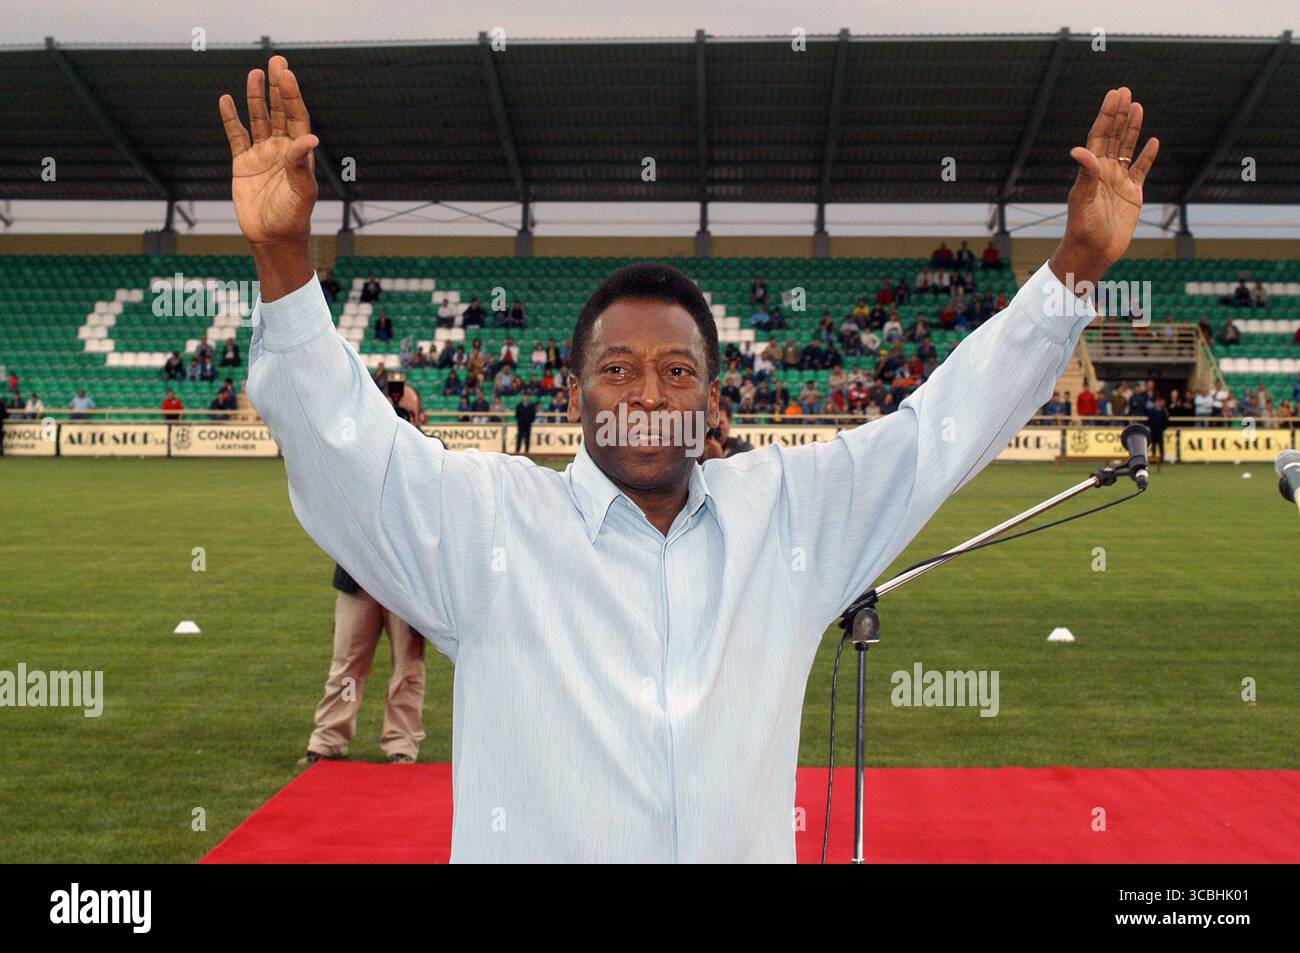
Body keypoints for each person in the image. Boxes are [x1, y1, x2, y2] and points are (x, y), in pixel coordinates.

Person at [224, 59, 1153, 863]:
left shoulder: (787, 517)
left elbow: (938, 431)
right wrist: (285, 259)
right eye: (616, 370)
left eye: (677, 372)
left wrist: (1072, 266)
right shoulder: (492, 526)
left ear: (713, 401)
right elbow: (346, 449)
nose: (647, 397)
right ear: (573, 392)